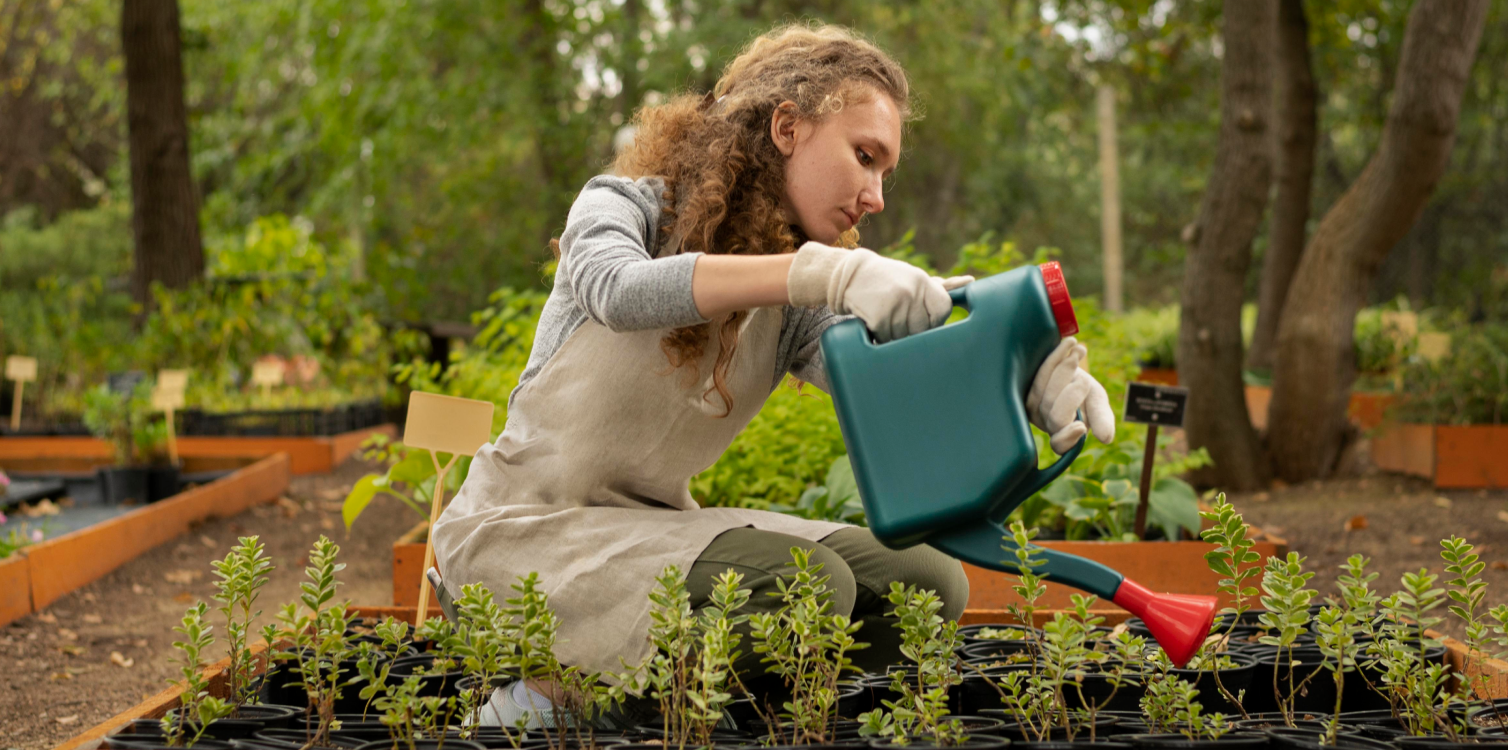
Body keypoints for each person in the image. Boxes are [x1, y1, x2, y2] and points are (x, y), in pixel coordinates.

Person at [429, 23, 1116, 724]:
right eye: (865, 156)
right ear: (788, 126)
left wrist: (1025, 378)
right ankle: (555, 700)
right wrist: (817, 272)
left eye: (886, 171)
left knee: (925, 581)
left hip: (647, 536)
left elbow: (896, 381)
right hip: (519, 537)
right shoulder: (622, 206)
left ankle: (727, 716)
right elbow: (616, 290)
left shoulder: (790, 308)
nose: (875, 194)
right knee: (806, 585)